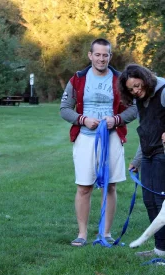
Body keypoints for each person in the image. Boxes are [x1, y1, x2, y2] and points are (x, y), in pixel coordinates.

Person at [60, 39, 137, 247]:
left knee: (110, 186)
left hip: (111, 138)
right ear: (90, 55)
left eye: (105, 55)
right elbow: (65, 109)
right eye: (98, 55)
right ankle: (82, 234)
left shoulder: (121, 79)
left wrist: (116, 120)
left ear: (110, 57)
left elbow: (134, 108)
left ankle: (107, 233)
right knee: (84, 187)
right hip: (85, 138)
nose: (101, 59)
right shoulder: (77, 79)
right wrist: (83, 120)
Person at [117, 64, 165, 257]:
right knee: (149, 201)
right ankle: (158, 249)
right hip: (147, 156)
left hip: (164, 155)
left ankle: (162, 249)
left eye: (137, 85)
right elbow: (146, 133)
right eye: (131, 89)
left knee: (161, 201)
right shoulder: (139, 102)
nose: (136, 91)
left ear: (145, 79)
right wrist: (136, 161)